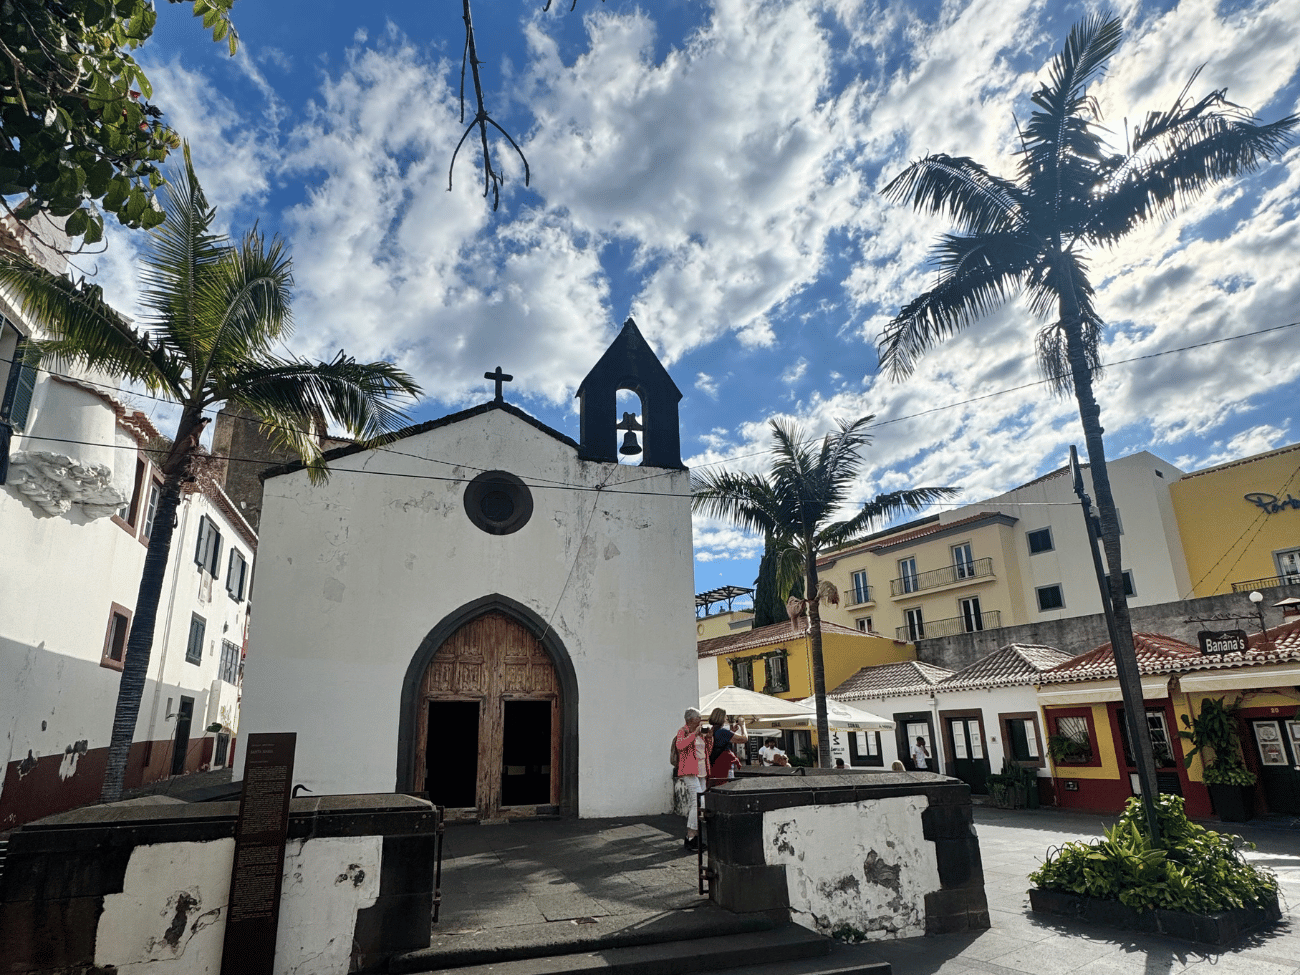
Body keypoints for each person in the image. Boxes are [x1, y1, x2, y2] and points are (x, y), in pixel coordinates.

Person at [674, 708, 710, 851]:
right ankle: (691, 835)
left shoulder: (699, 733)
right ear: (691, 719)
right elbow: (680, 746)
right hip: (689, 770)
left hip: (701, 770)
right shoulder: (683, 731)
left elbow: (707, 750)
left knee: (697, 802)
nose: (700, 720)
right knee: (698, 801)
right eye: (698, 717)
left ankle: (693, 836)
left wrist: (709, 737)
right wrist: (694, 735)